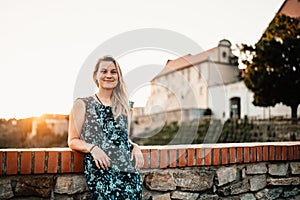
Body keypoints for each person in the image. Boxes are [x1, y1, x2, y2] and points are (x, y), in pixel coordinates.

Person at [68, 55, 144, 199]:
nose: (109, 75)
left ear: (118, 76)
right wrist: (93, 148)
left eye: (113, 72)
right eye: (104, 71)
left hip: (129, 174)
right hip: (102, 173)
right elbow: (72, 140)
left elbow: (123, 138)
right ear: (96, 76)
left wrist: (135, 146)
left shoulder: (126, 107)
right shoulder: (82, 104)